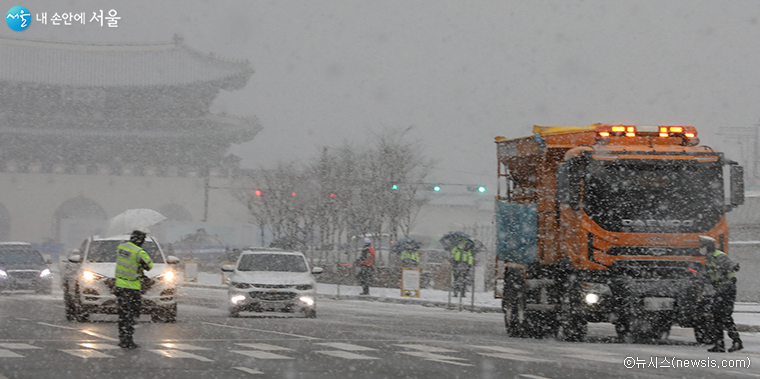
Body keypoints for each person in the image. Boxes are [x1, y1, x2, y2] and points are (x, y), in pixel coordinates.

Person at [699, 236, 742, 353]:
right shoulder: (709, 261)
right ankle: (720, 344)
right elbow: (708, 277)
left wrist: (734, 266)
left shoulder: (719, 256)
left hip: (727, 290)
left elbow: (728, 264)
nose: (701, 250)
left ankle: (736, 341)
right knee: (717, 315)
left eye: (702, 247)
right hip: (719, 291)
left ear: (708, 247)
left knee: (724, 315)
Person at [114, 229, 154, 349]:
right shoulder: (139, 252)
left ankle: (122, 338)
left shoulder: (121, 248)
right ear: (141, 240)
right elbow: (149, 266)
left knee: (123, 315)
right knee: (131, 315)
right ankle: (128, 339)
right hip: (133, 288)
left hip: (120, 286)